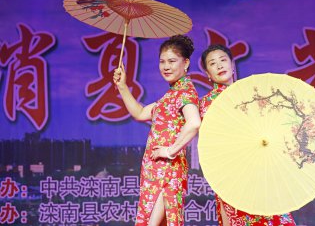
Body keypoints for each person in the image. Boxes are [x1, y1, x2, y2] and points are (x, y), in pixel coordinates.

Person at [199, 44, 296, 226]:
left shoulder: (252, 93)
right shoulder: (207, 104)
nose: (219, 66)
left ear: (233, 65)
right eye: (213, 64)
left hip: (262, 164)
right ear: (207, 73)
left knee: (274, 214)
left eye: (223, 60)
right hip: (233, 171)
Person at [113, 35, 201, 226]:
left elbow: (194, 123)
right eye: (162, 61)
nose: (166, 66)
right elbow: (141, 112)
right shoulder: (171, 94)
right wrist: (122, 87)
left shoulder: (185, 91)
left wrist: (170, 151)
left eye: (172, 61)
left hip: (168, 171)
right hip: (155, 170)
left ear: (185, 63)